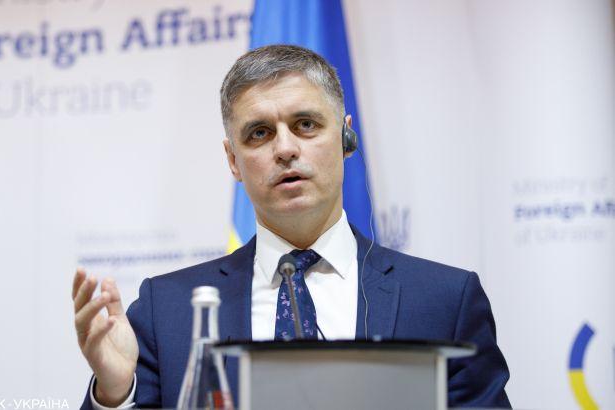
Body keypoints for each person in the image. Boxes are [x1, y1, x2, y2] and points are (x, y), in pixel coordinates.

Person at [74, 44, 511, 409]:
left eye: (305, 125)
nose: (285, 149)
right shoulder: (167, 309)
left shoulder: (444, 302)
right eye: (259, 133)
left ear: (346, 138)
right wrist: (115, 394)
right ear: (233, 160)